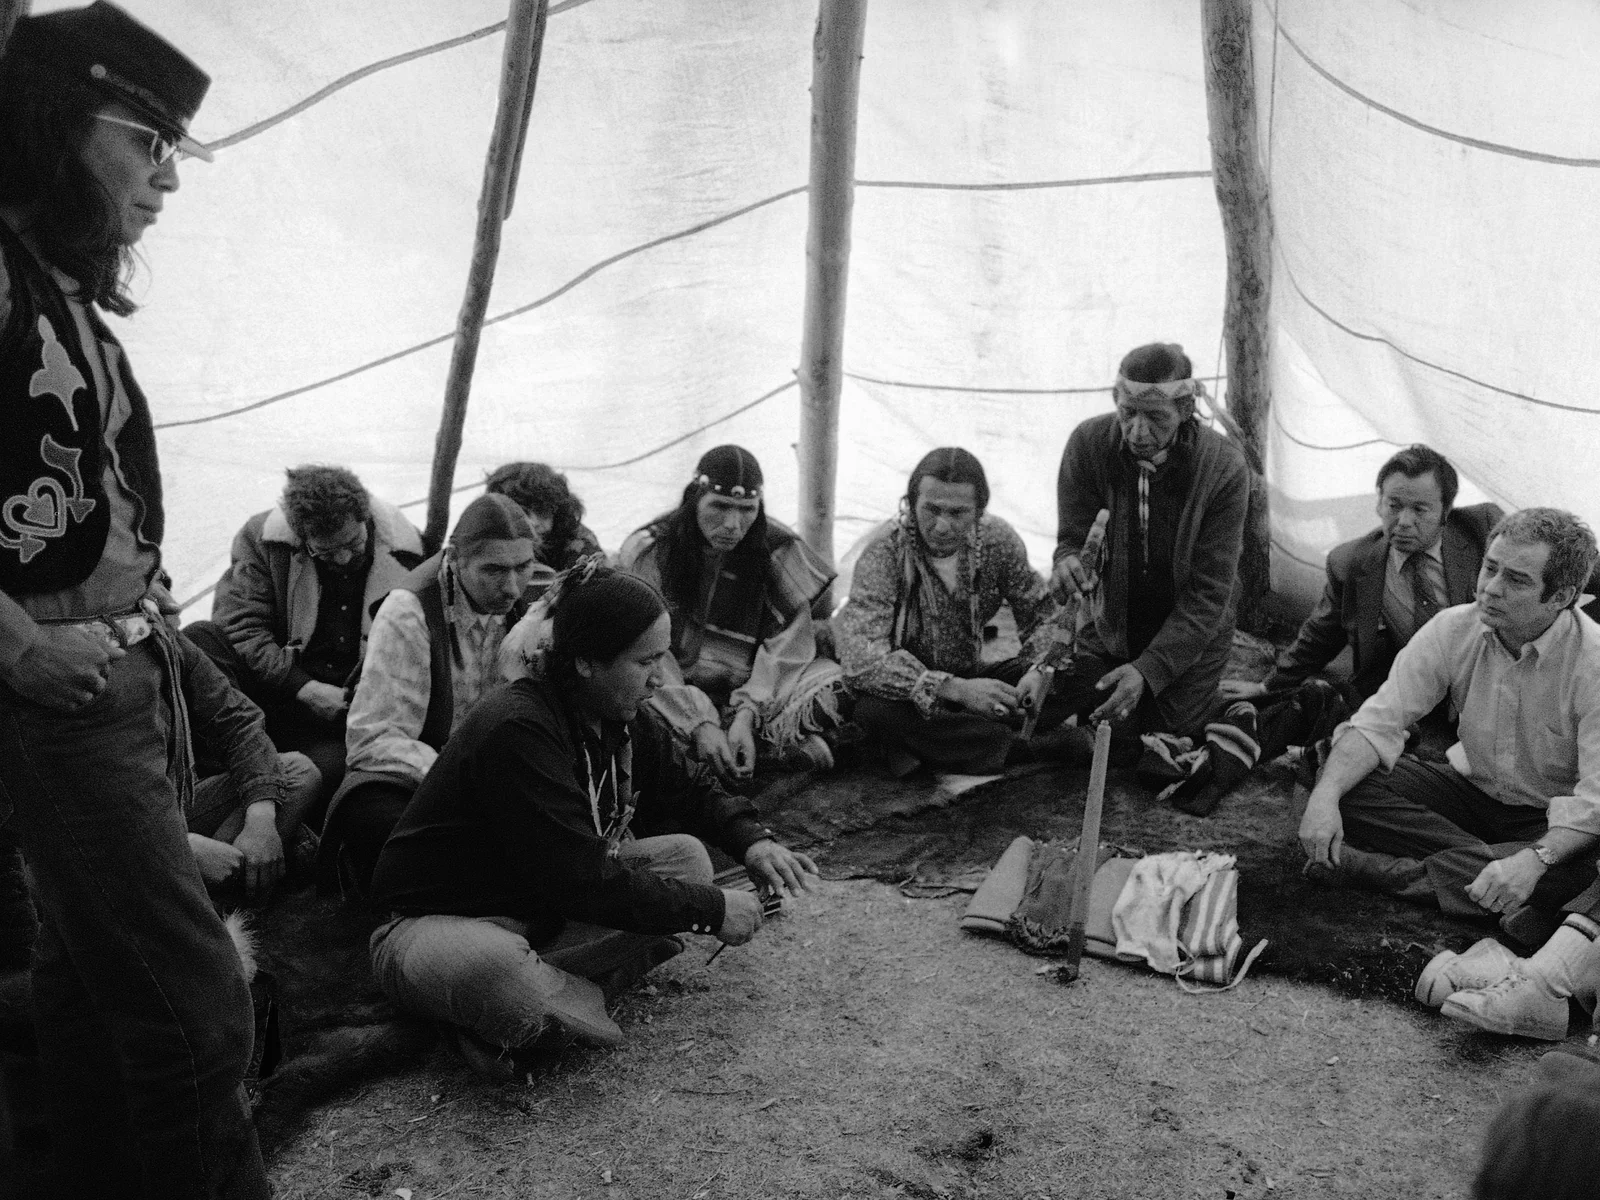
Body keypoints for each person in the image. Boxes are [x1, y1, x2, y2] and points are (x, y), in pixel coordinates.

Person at [0, 5, 271, 1195]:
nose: (167, 178)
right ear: (59, 125)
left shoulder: (55, 283)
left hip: (131, 672)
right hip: (64, 689)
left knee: (91, 982)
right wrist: (11, 645)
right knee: (198, 1006)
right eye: (147, 139)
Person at [368, 565, 816, 1078]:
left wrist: (752, 842)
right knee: (497, 973)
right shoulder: (520, 728)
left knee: (688, 859)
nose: (658, 677)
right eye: (645, 661)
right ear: (585, 662)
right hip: (439, 927)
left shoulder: (614, 711)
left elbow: (688, 785)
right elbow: (580, 878)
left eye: (662, 657)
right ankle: (512, 1011)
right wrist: (710, 911)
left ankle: (519, 1017)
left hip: (538, 911)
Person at [1299, 508, 1600, 940]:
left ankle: (1379, 872)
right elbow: (1378, 723)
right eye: (1490, 568)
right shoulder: (1453, 628)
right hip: (1468, 793)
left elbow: (1595, 803)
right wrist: (1326, 796)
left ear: (1560, 597)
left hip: (1552, 824)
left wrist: (1536, 858)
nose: (1490, 589)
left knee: (1586, 866)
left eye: (1515, 580)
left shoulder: (1593, 664)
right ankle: (1494, 882)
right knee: (1329, 766)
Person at [1048, 344, 1250, 806]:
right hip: (1111, 625)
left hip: (1192, 636)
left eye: (1154, 419)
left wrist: (1150, 669)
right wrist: (1068, 561)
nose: (1137, 432)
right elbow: (1072, 535)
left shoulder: (1224, 469)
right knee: (1111, 737)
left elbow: (1208, 594)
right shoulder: (1088, 444)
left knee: (1157, 753)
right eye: (1127, 414)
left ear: (1184, 410)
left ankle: (1233, 709)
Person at [1223, 446, 1504, 766]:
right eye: (1393, 505)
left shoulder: (1485, 531)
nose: (1404, 522)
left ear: (1446, 510)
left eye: (1420, 509)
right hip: (1416, 700)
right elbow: (1321, 633)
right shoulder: (1353, 563)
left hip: (1493, 687)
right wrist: (1267, 685)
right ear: (1378, 503)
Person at [319, 494, 541, 893]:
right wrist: (463, 784)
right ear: (455, 558)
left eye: (523, 567)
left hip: (497, 768)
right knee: (374, 817)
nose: (511, 587)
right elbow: (374, 738)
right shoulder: (409, 610)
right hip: (423, 774)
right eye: (493, 570)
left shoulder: (531, 603)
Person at [196, 463, 425, 808]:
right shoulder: (262, 540)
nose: (344, 558)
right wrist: (302, 686)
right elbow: (240, 628)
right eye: (326, 552)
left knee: (329, 772)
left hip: (344, 717)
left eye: (354, 543)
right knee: (202, 638)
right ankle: (229, 767)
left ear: (366, 518)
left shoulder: (409, 553)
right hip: (270, 695)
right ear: (300, 537)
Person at [836, 447, 1067, 777]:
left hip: (974, 678)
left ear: (979, 511)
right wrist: (956, 689)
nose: (942, 527)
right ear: (911, 503)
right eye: (931, 510)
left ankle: (960, 742)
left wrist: (1039, 670)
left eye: (958, 513)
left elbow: (1042, 614)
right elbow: (861, 659)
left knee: (1081, 671)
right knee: (873, 712)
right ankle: (1024, 745)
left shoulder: (997, 540)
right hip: (913, 694)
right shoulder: (885, 553)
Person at [619, 445, 845, 778]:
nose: (732, 524)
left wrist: (747, 714)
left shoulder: (778, 550)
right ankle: (780, 759)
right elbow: (649, 649)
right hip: (669, 688)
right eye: (720, 506)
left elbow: (787, 648)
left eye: (746, 509)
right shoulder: (654, 549)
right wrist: (698, 722)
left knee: (832, 684)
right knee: (630, 700)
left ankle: (721, 759)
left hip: (750, 688)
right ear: (695, 500)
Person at [178, 630, 323, 904]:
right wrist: (181, 846)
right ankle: (204, 911)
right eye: (154, 588)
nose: (167, 601)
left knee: (300, 771)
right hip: (130, 833)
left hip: (179, 801)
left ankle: (219, 903)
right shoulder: (88, 670)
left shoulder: (169, 643)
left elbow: (238, 723)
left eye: (163, 585)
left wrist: (260, 819)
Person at [484, 460, 605, 572]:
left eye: (542, 511)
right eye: (521, 512)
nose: (533, 522)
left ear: (558, 511)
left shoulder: (581, 543)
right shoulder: (486, 539)